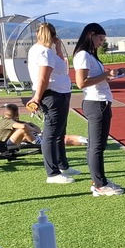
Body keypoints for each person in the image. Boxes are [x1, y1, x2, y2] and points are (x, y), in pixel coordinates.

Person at [73, 22, 125, 196]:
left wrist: (113, 74)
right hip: (96, 103)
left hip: (100, 101)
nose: (101, 43)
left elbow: (95, 78)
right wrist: (106, 74)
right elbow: (81, 83)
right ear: (91, 35)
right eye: (100, 39)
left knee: (97, 146)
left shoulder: (89, 55)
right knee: (97, 146)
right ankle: (99, 184)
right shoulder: (83, 55)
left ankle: (98, 181)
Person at [25, 22, 76, 183]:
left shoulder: (45, 51)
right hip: (52, 95)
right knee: (51, 135)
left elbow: (62, 66)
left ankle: (62, 166)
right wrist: (37, 98)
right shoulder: (44, 52)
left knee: (59, 132)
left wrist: (58, 48)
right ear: (54, 36)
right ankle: (52, 173)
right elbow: (43, 78)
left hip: (59, 93)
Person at [0, 103, 85, 149]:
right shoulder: (6, 121)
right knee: (23, 129)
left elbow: (37, 129)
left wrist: (30, 125)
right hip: (2, 147)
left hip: (8, 143)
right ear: (17, 114)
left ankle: (87, 142)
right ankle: (38, 143)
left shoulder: (10, 121)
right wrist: (31, 128)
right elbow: (24, 128)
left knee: (61, 138)